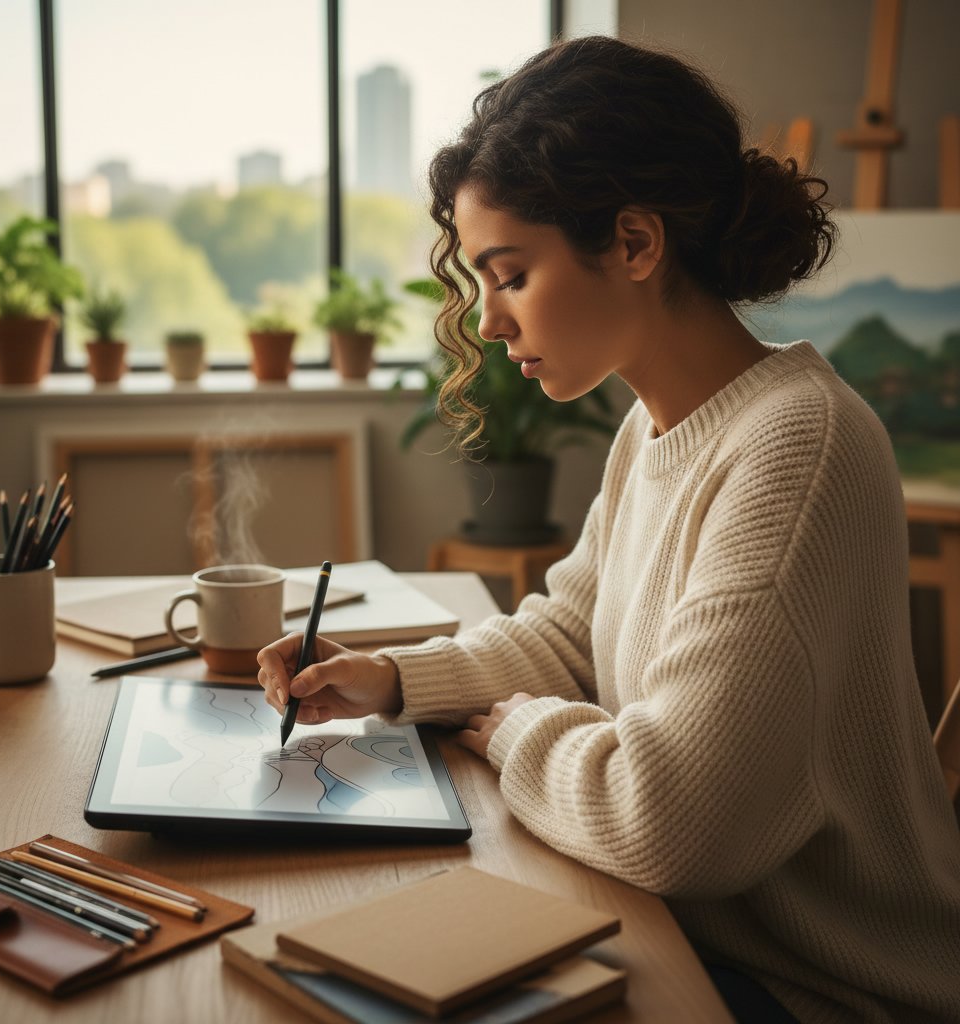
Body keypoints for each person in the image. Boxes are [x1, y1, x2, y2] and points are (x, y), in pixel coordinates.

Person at [258, 35, 960, 1024]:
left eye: (509, 274)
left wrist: (514, 729)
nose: (490, 323)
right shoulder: (658, 423)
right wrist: (395, 681)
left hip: (817, 990)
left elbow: (673, 823)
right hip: (685, 930)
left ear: (634, 243)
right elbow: (569, 635)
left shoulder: (797, 450)